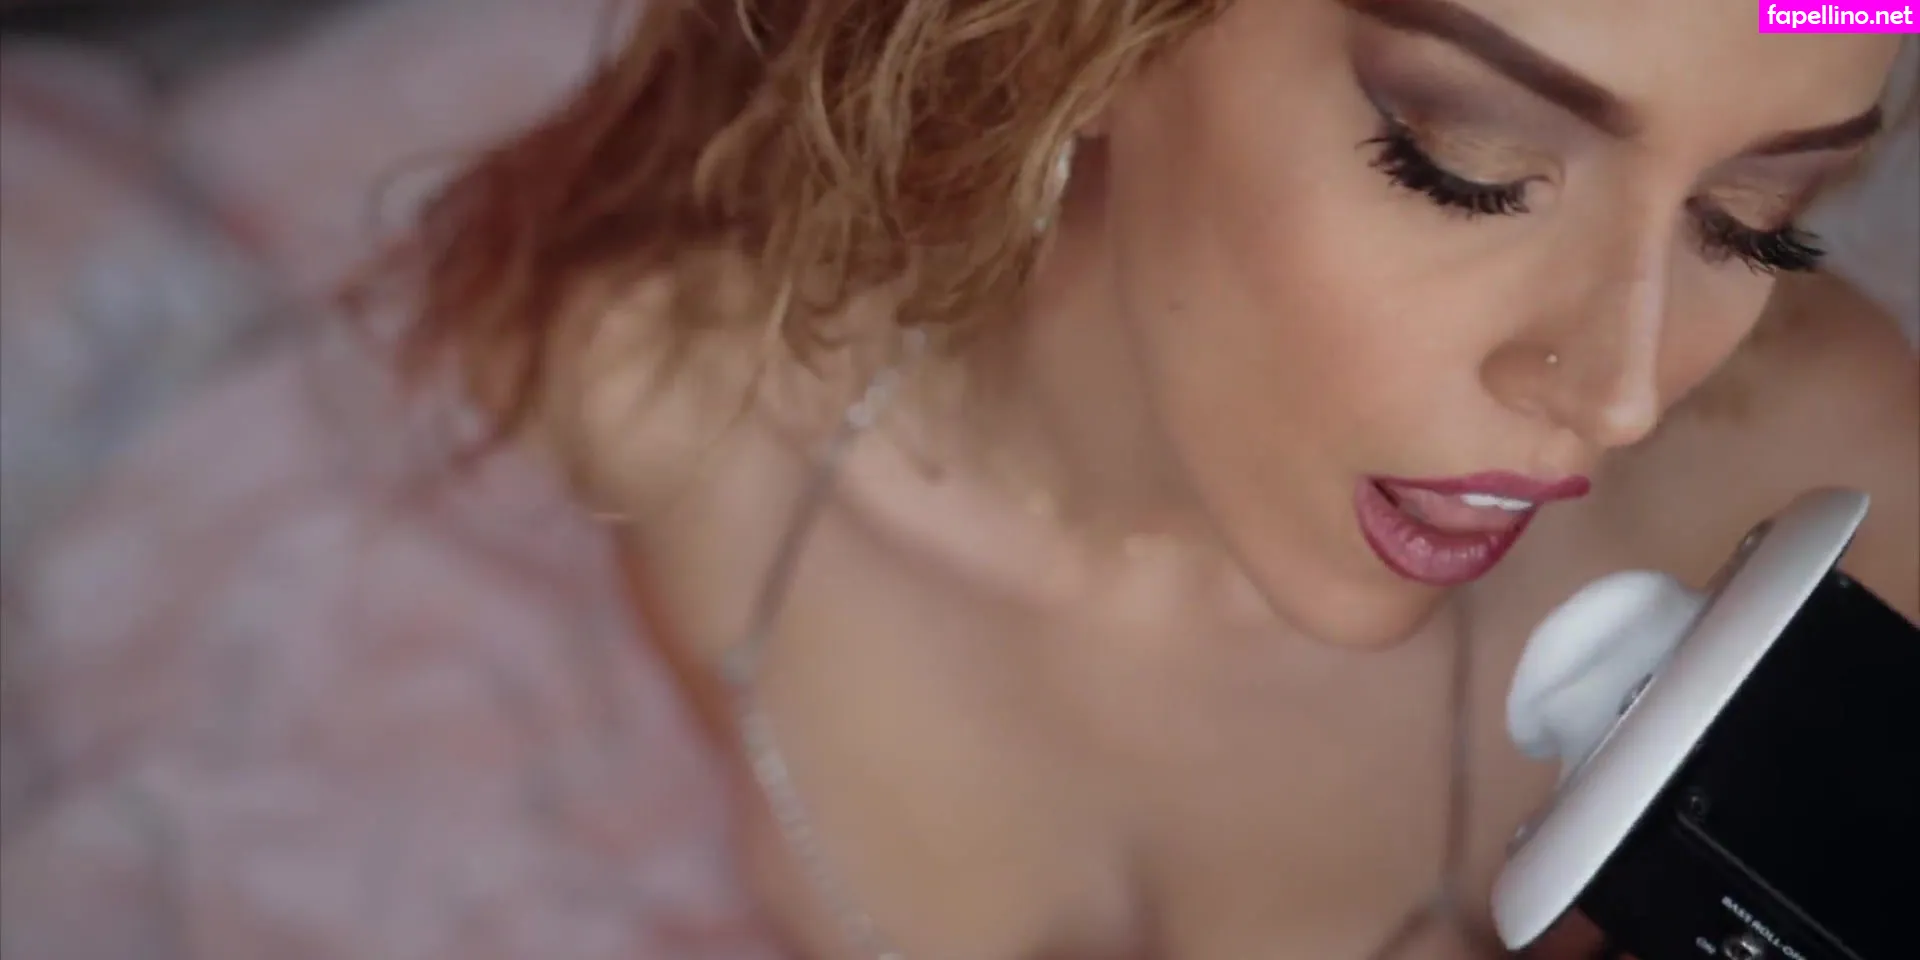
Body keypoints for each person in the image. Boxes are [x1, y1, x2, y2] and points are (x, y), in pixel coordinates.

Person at [3, 1, 1914, 958]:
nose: (1623, 389)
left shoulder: (1820, 483)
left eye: (1764, 218)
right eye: (1461, 162)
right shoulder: (642, 421)